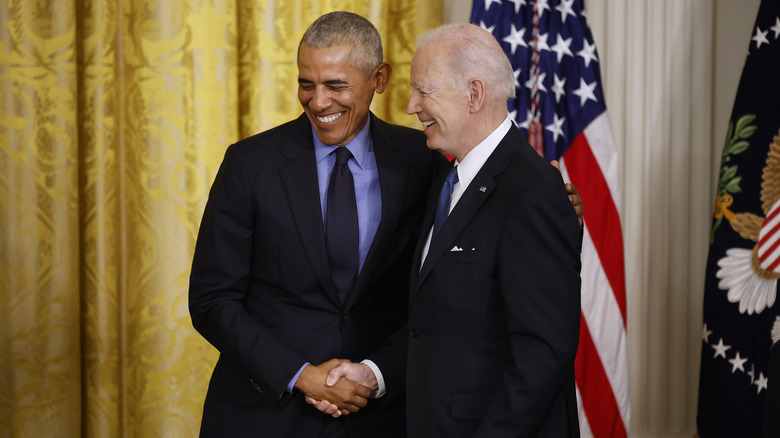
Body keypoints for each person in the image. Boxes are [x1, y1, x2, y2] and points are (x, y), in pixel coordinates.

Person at [189, 11, 445, 437]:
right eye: (306, 84)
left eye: (336, 85)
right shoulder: (249, 164)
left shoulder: (423, 159)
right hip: (263, 416)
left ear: (379, 78)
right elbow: (212, 300)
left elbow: (446, 282)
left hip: (382, 415)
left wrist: (550, 200)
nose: (318, 101)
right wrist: (299, 373)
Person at [318, 23, 582, 437]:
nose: (411, 106)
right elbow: (437, 322)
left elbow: (543, 356)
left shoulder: (531, 192)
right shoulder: (448, 182)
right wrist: (374, 372)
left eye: (424, 90)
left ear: (474, 94)